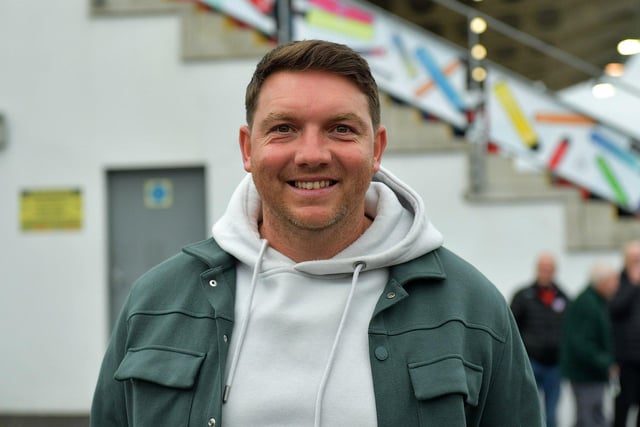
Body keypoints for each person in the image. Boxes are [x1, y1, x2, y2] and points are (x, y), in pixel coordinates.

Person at [90, 39, 543, 426]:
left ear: (376, 149)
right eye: (283, 128)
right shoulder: (157, 304)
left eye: (341, 129)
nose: (311, 154)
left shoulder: (471, 309)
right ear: (248, 148)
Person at [510, 252, 570, 427]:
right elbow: (512, 327)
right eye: (543, 268)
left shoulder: (563, 297)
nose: (546, 272)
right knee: (529, 412)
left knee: (551, 416)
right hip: (531, 363)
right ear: (537, 270)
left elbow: (569, 330)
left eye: (549, 269)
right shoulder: (523, 296)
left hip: (554, 366)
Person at [560, 261, 620, 427]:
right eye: (613, 281)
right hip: (586, 375)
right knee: (590, 419)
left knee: (591, 417)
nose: (616, 285)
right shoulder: (587, 304)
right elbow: (581, 343)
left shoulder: (596, 301)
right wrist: (606, 363)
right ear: (602, 282)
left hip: (592, 373)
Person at [610, 240, 640, 427]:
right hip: (625, 358)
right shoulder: (616, 281)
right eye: (634, 259)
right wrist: (633, 285)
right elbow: (614, 308)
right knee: (623, 403)